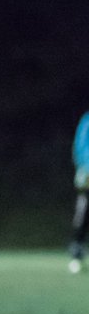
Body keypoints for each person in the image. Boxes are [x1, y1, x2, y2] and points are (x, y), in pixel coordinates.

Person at [69, 111, 89, 273]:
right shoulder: (87, 120)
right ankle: (76, 255)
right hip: (88, 174)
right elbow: (80, 146)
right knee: (83, 213)